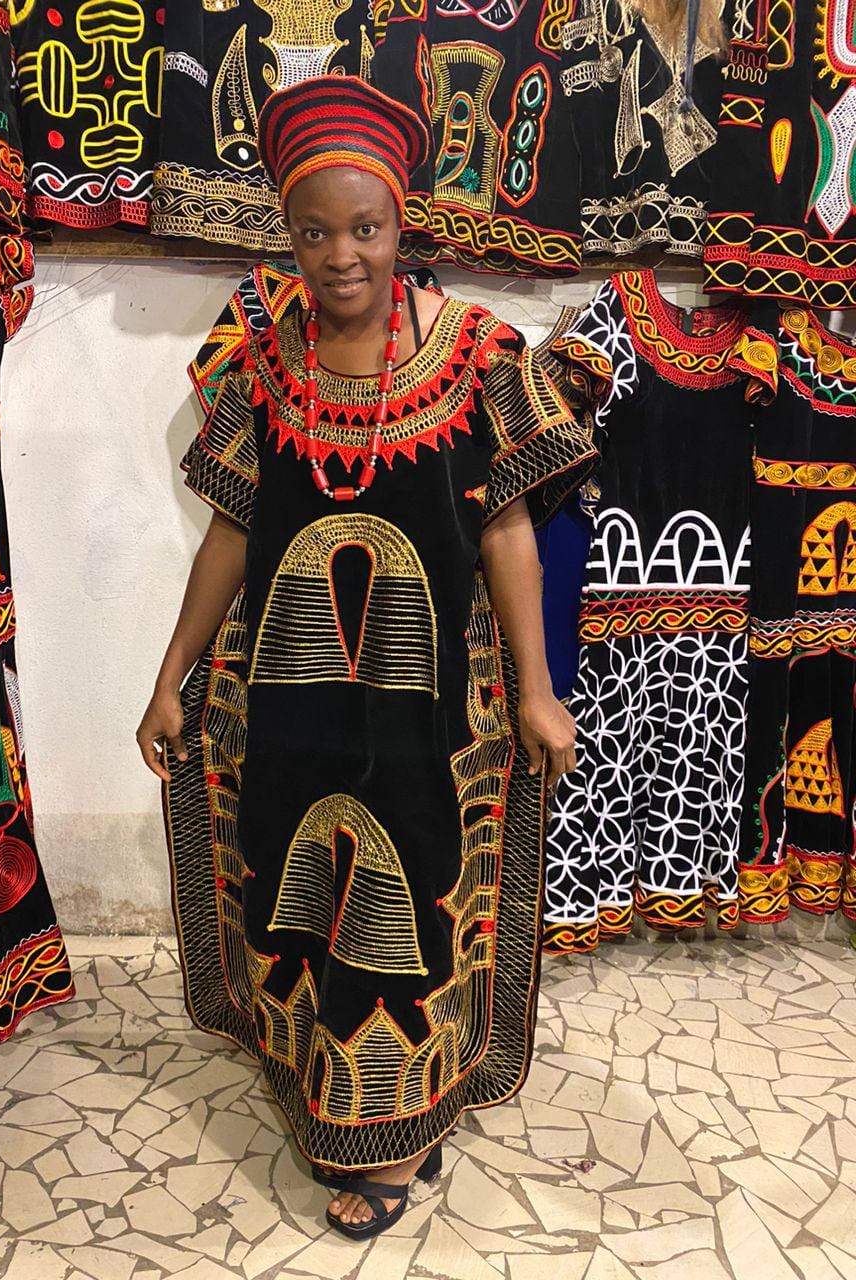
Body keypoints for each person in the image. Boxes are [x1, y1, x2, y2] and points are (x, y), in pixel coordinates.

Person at [138, 76, 597, 1240]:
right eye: (313, 231)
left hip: (430, 706)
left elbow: (507, 528)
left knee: (419, 905)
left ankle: (402, 1128)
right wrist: (169, 675)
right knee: (303, 898)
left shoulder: (479, 353)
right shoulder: (262, 364)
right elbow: (233, 529)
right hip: (289, 701)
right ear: (287, 234)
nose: (340, 255)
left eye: (365, 228)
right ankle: (333, 1096)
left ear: (401, 222)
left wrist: (538, 689)